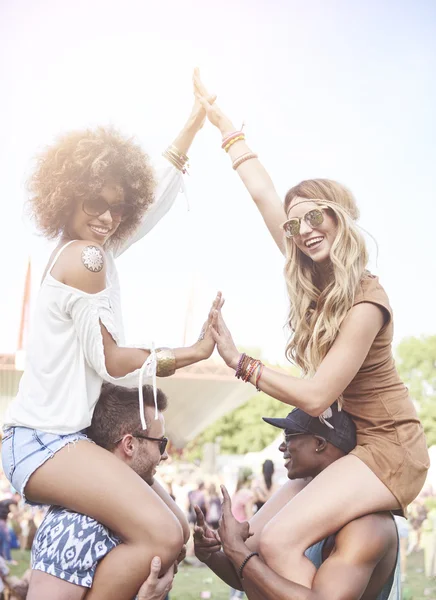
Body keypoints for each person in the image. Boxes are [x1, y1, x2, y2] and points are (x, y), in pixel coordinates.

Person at [193, 69, 429, 589]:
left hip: (389, 448)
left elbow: (319, 396)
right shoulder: (314, 284)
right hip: (351, 445)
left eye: (316, 216)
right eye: (295, 224)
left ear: (340, 218)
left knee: (275, 543)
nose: (304, 230)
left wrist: (241, 362)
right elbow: (263, 197)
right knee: (252, 535)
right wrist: (227, 130)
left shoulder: (368, 298)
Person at [1, 81, 222, 600]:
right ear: (65, 197)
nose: (107, 218)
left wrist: (191, 127)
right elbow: (112, 361)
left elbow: (151, 205)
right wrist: (192, 352)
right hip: (43, 442)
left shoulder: (91, 244)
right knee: (165, 535)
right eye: (94, 204)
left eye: (116, 208)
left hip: (59, 440)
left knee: (174, 530)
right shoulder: (86, 258)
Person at [194, 405, 401, 600]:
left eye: (289, 436)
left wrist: (239, 552)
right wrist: (211, 555)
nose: (282, 446)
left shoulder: (368, 524)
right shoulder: (301, 497)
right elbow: (248, 575)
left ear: (319, 443)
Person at [30, 382, 186, 600]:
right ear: (129, 445)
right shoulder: (76, 526)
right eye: (161, 443)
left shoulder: (141, 518)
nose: (165, 455)